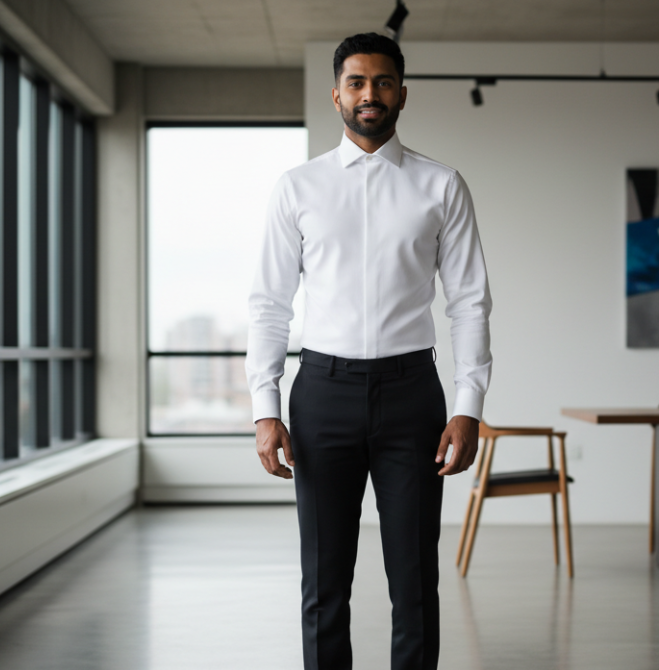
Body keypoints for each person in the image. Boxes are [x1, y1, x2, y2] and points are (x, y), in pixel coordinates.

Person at [246, 32, 492, 670]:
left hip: (414, 397)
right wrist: (264, 407)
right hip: (322, 394)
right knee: (324, 581)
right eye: (356, 83)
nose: (370, 94)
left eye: (382, 82)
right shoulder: (298, 187)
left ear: (402, 93)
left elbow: (469, 302)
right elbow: (270, 303)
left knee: (413, 578)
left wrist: (467, 407)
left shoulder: (442, 186)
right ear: (336, 96)